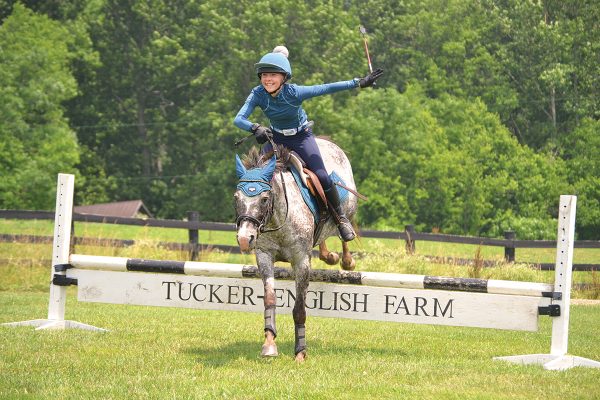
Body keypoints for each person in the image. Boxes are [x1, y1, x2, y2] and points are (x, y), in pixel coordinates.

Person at [234, 46, 383, 242]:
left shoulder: (294, 92)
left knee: (321, 175)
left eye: (272, 75)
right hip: (276, 140)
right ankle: (251, 221)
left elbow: (327, 87)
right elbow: (239, 119)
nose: (267, 79)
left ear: (284, 77)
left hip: (300, 138)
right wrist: (255, 128)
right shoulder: (257, 94)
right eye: (264, 75)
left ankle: (341, 219)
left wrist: (358, 82)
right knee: (256, 177)